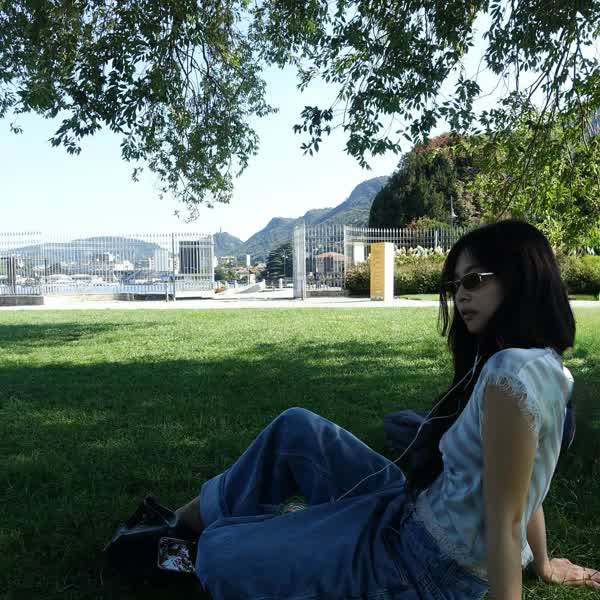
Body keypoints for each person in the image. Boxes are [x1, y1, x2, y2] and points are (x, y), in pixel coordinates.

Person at [173, 220, 600, 599]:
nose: (460, 296)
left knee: (217, 552)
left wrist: (532, 568)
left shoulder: (511, 373)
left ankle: (192, 528)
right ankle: (184, 522)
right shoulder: (541, 368)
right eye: (455, 285)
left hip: (417, 568)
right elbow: (524, 481)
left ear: (521, 278)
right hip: (407, 509)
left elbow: (506, 519)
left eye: (474, 280)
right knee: (297, 429)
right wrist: (544, 565)